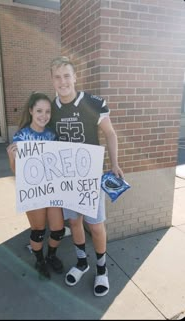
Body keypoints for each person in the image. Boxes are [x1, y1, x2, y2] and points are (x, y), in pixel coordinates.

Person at [49, 56, 124, 296]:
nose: (63, 81)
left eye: (67, 75)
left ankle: (102, 269)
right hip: (67, 179)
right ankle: (82, 262)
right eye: (58, 77)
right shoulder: (50, 108)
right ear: (52, 80)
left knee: (96, 224)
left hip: (91, 177)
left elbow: (110, 134)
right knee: (74, 222)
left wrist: (115, 164)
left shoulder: (93, 103)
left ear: (75, 77)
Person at [6, 92, 65, 280]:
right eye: (39, 110)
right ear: (31, 111)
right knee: (39, 231)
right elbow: (17, 172)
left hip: (51, 188)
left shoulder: (52, 135)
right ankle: (39, 260)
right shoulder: (21, 136)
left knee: (58, 229)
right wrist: (11, 156)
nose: (44, 115)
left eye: (47, 111)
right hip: (34, 192)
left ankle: (51, 256)